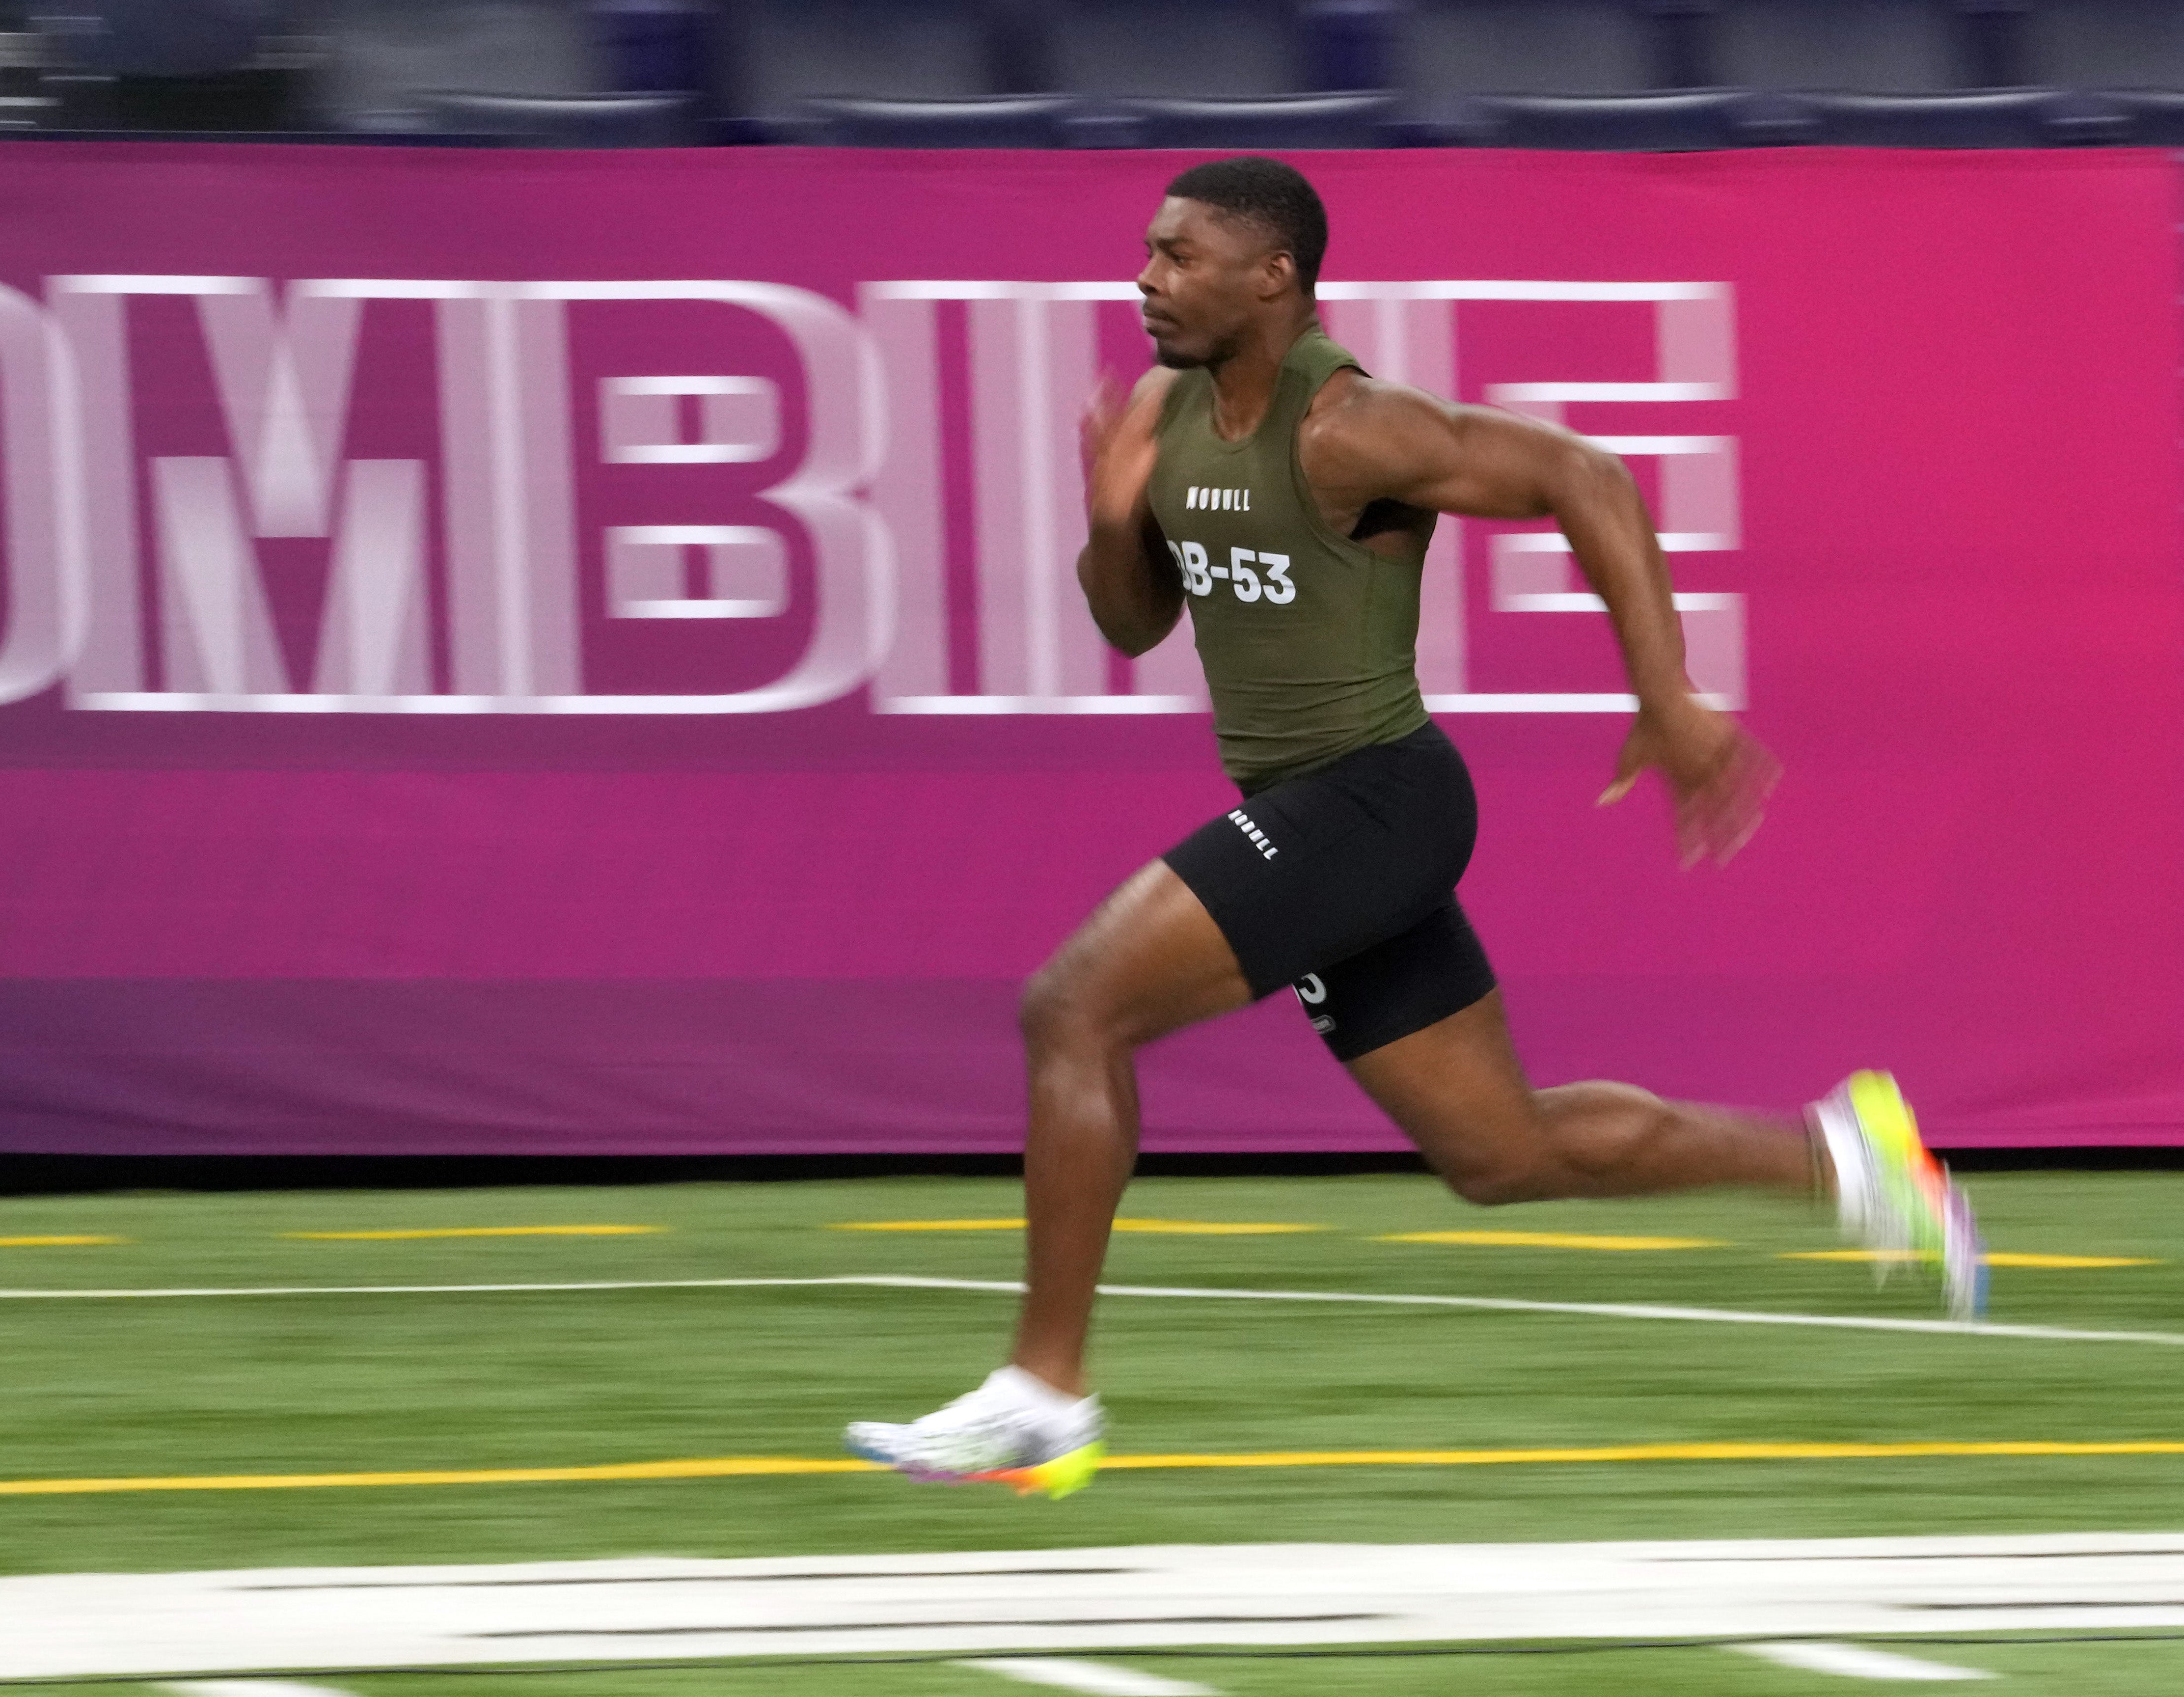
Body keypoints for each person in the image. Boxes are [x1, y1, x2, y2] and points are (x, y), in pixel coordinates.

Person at [845, 157, 1981, 1500]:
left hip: (1376, 804)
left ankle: (1044, 1396)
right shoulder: (1167, 406)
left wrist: (1667, 694)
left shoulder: (1349, 428)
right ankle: (1845, 1154)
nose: (1145, 279)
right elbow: (1135, 620)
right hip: (1312, 816)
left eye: (1177, 256)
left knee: (1073, 1009)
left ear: (1271, 276)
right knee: (1502, 1155)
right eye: (1149, 251)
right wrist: (1109, 516)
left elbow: (1584, 472)